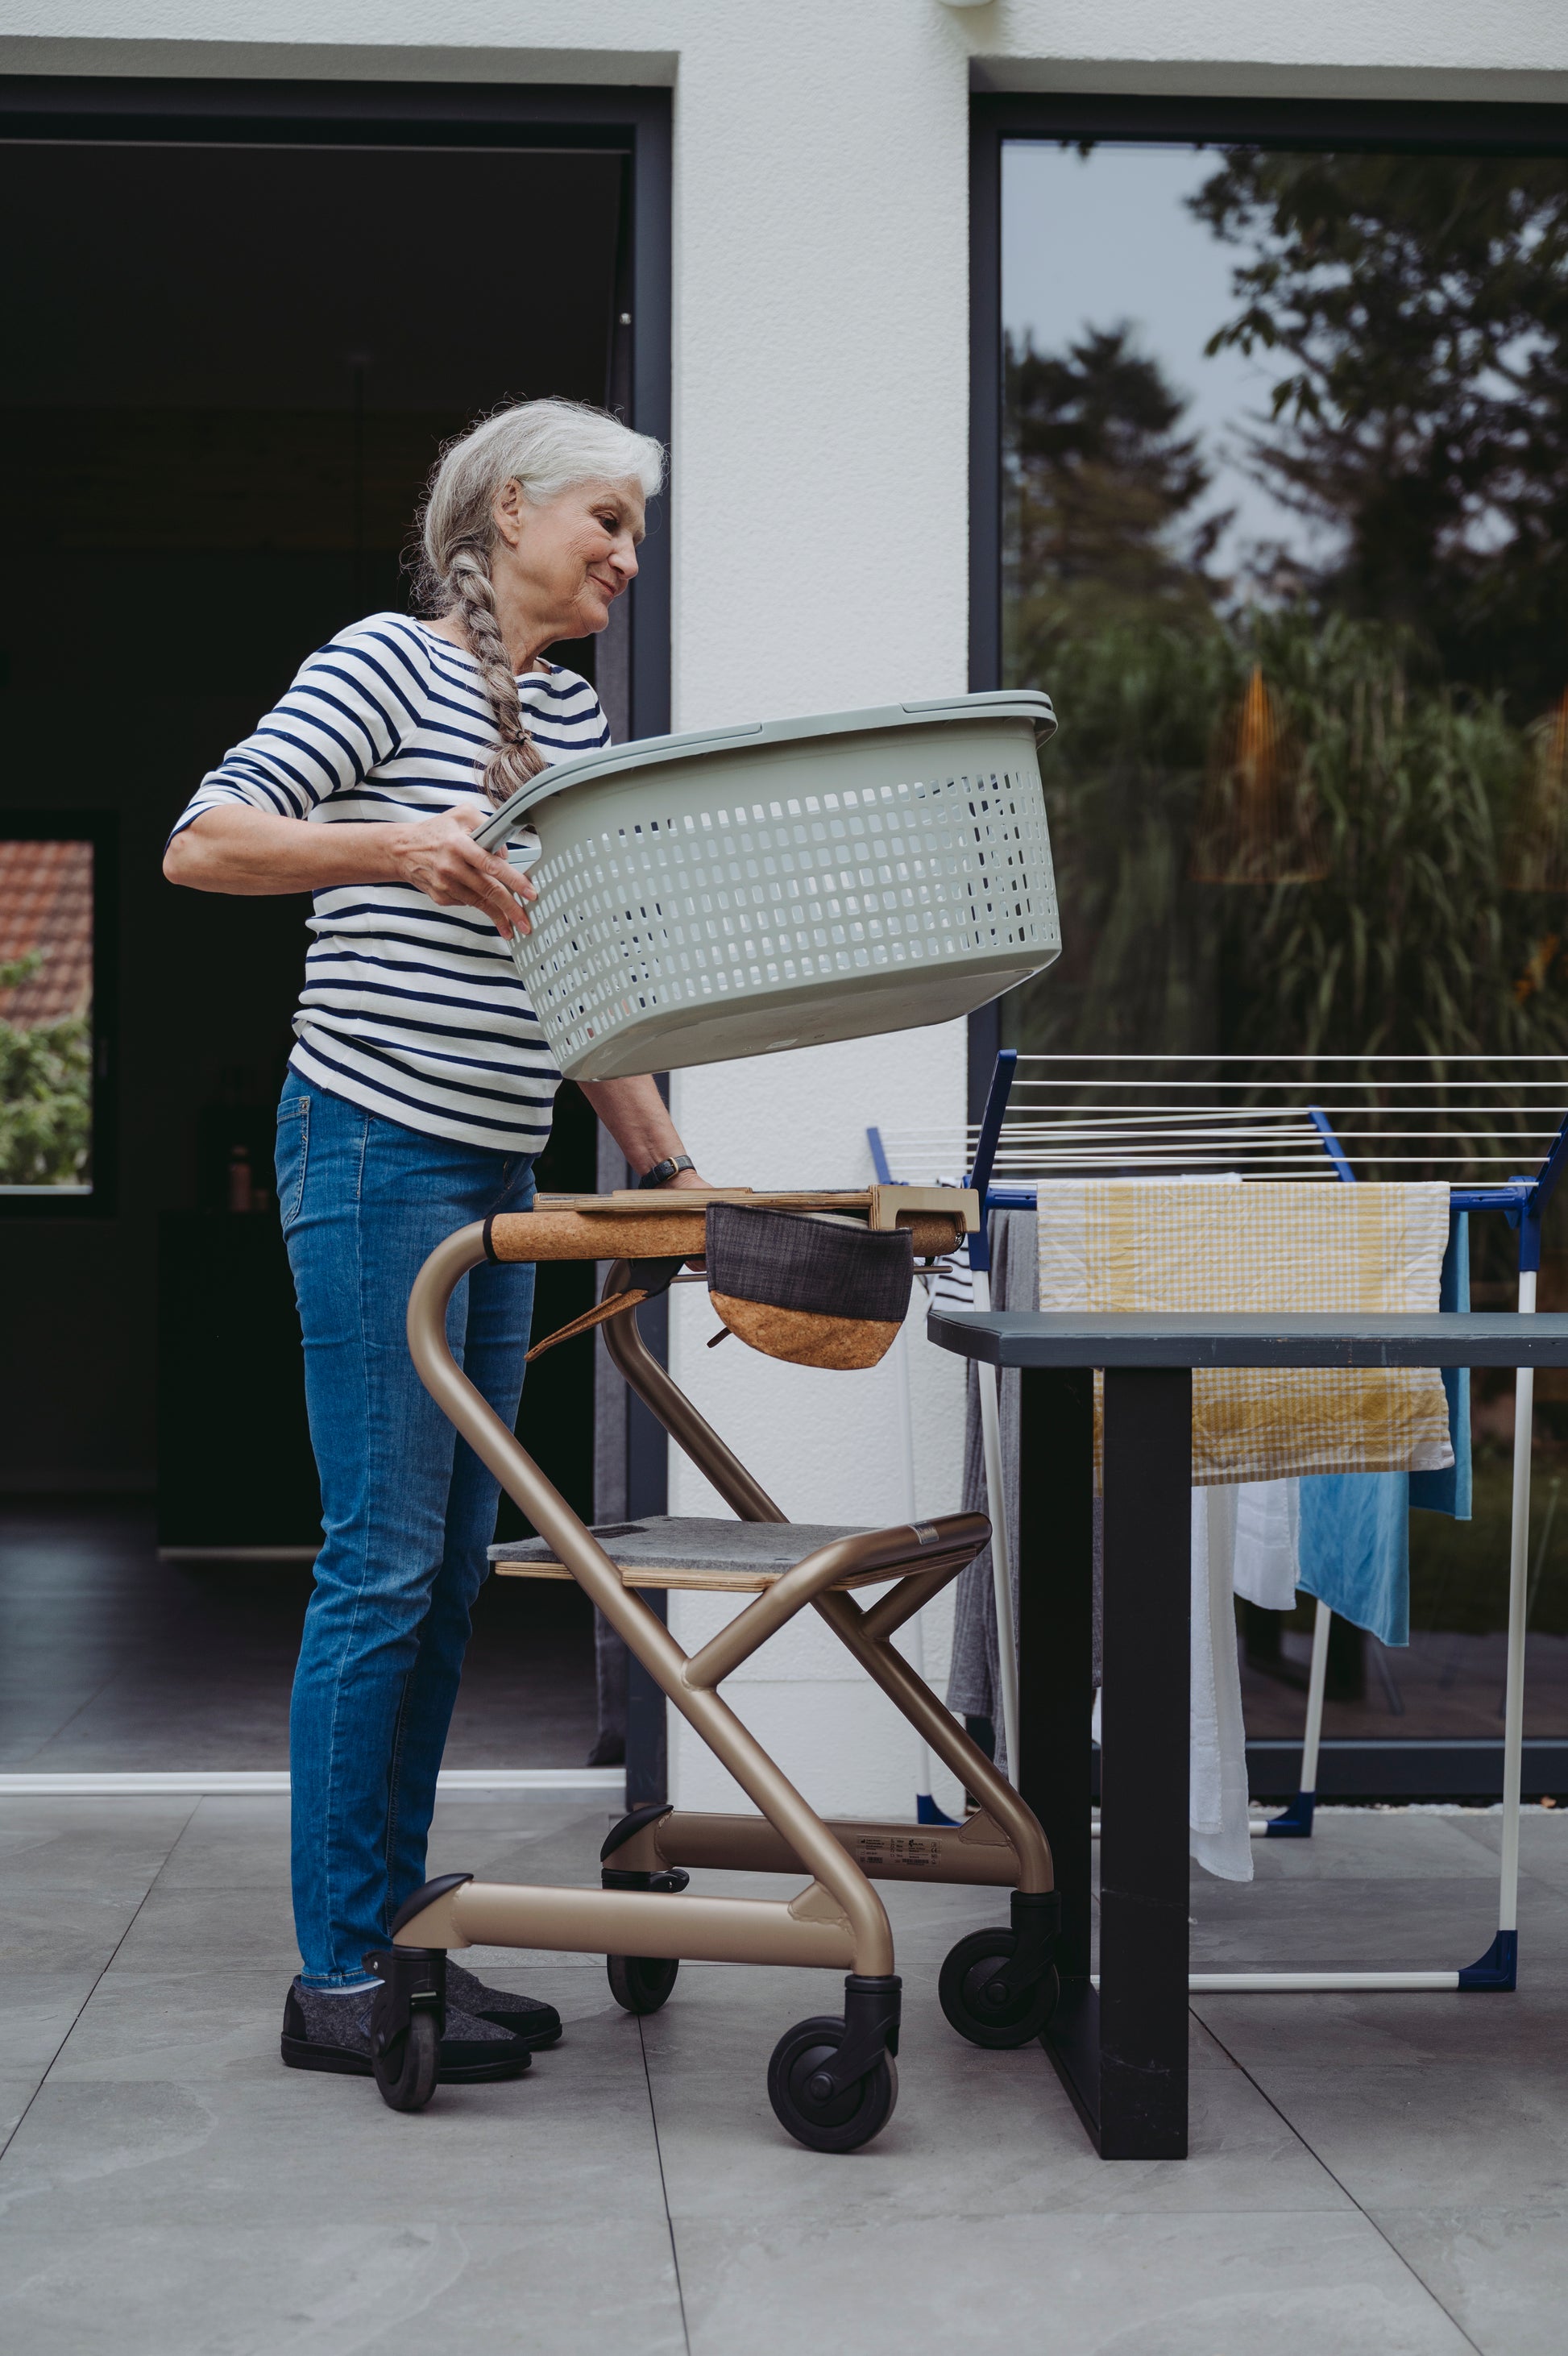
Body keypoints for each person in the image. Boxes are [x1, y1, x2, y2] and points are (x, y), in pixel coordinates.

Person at [164, 400, 707, 2085]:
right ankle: (337, 1970)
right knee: (384, 1559)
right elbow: (206, 839)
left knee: (457, 1569)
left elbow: (583, 985)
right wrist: (394, 843)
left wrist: (677, 1174)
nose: (627, 552)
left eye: (636, 528)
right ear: (514, 509)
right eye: (607, 519)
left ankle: (402, 1937)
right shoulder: (386, 664)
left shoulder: (566, 716)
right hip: (374, 1145)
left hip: (503, 1173)